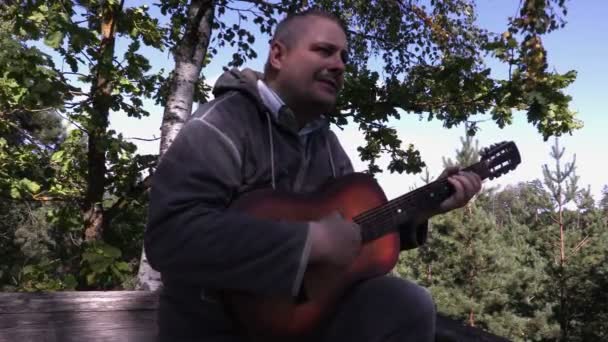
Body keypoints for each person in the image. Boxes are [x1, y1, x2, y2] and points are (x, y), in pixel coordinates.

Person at [144, 8, 482, 342]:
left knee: (406, 303)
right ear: (278, 55)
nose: (339, 65)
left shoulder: (326, 144)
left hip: (306, 325)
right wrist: (309, 241)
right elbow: (171, 236)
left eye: (344, 57)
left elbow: (355, 237)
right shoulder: (220, 126)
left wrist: (421, 211)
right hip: (215, 329)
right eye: (324, 50)